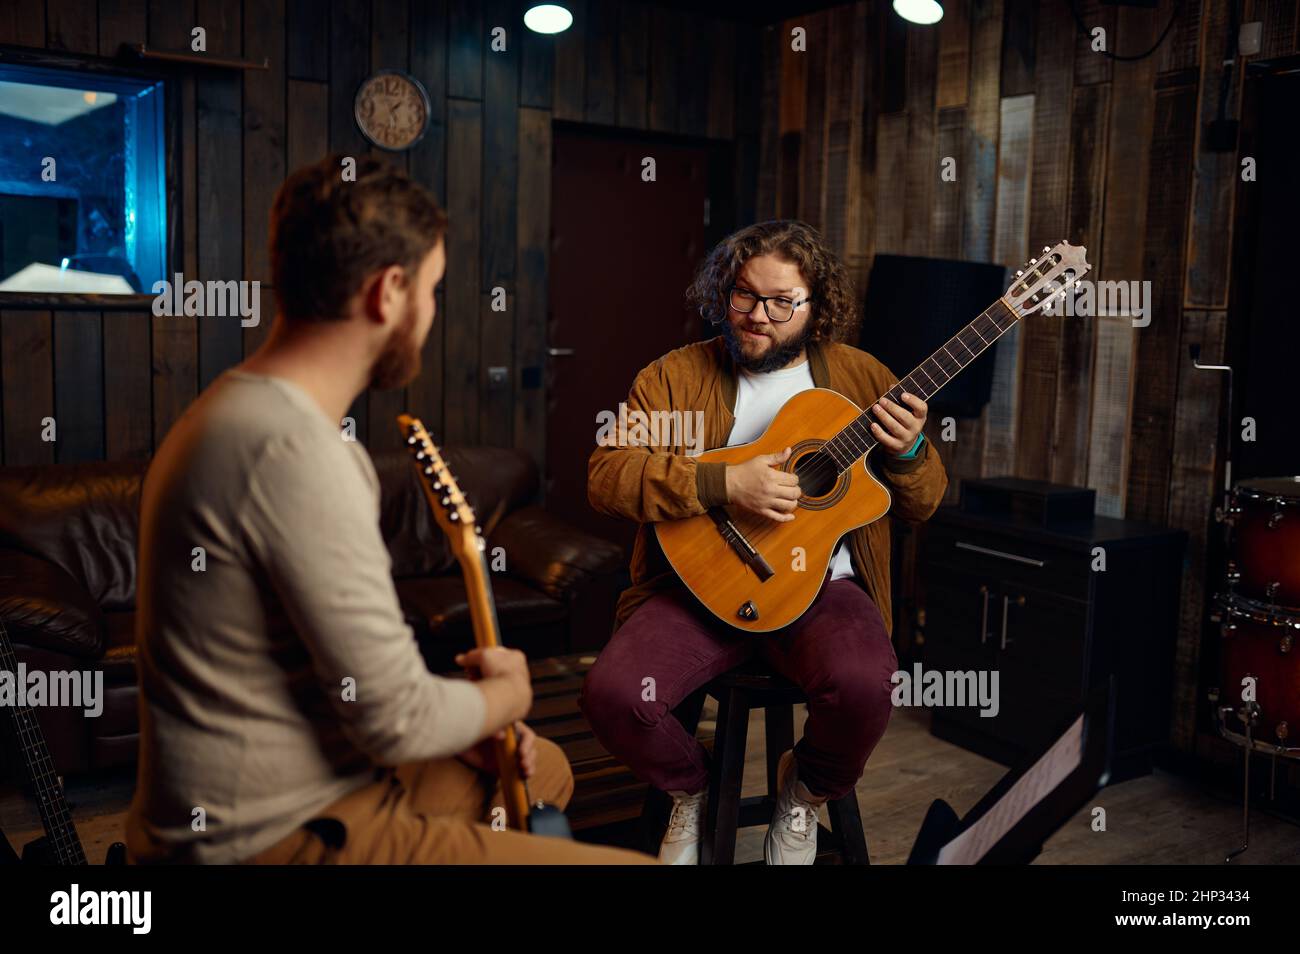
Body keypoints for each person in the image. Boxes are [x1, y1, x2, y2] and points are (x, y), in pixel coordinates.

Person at [126, 154, 652, 865]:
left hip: (313, 775)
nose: (432, 314)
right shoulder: (294, 452)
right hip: (265, 838)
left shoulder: (235, 409)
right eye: (432, 290)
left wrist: (463, 724)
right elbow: (397, 719)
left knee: (542, 769)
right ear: (389, 291)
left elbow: (339, 678)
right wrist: (507, 694)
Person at [581, 220, 947, 864]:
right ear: (724, 291)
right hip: (696, 586)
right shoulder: (673, 377)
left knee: (866, 685)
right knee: (614, 696)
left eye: (782, 303)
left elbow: (923, 503)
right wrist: (723, 483)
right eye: (744, 295)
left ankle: (804, 792)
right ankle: (690, 790)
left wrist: (912, 450)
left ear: (816, 307)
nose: (757, 316)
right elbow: (607, 477)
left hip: (822, 591)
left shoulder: (861, 378)